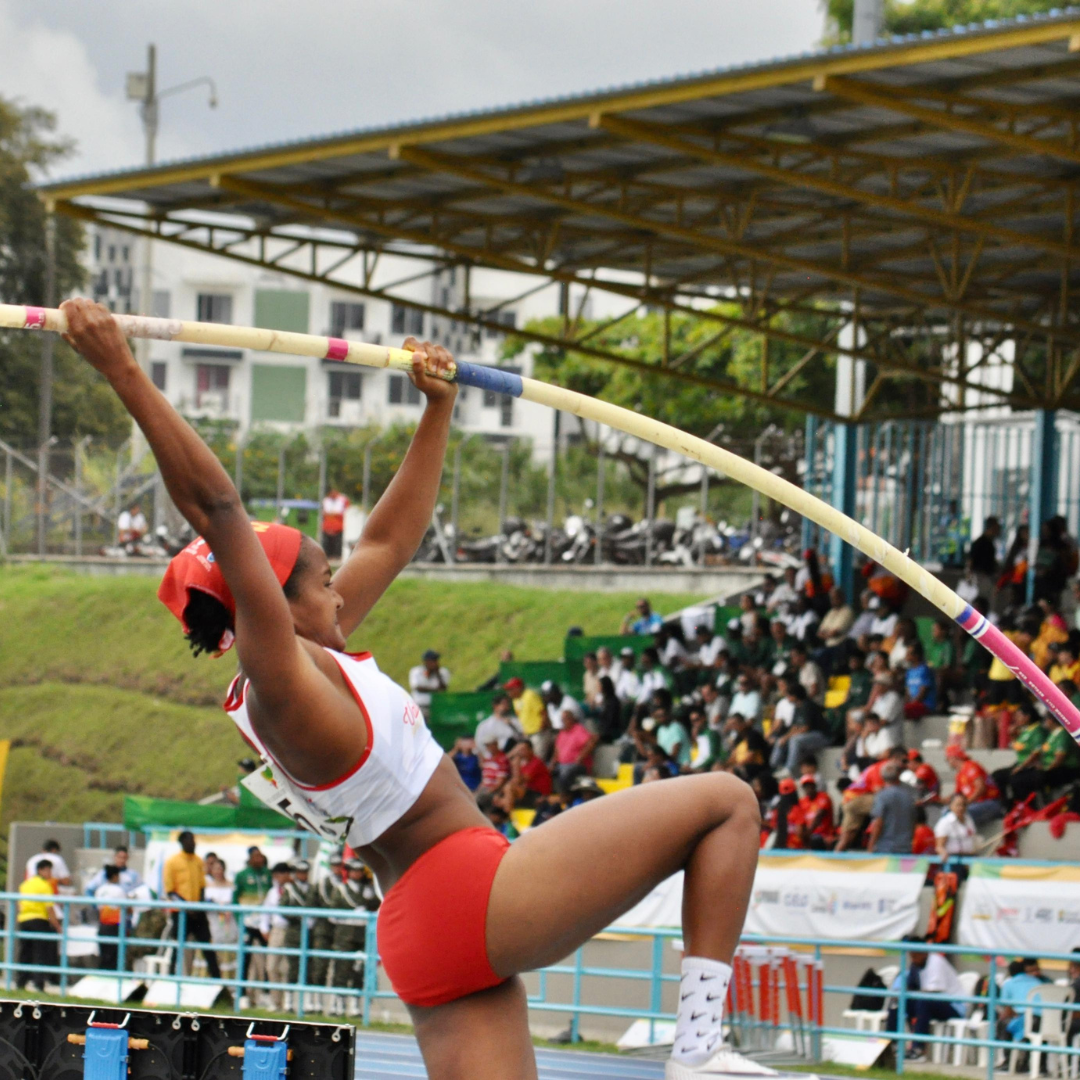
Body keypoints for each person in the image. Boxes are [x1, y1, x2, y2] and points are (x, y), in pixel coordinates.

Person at [64, 298, 763, 1078]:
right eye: (324, 583)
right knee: (728, 803)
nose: (340, 596)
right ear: (270, 600)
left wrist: (438, 410)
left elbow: (390, 540)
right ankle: (699, 1053)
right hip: (466, 893)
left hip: (423, 933)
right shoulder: (282, 682)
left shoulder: (305, 660)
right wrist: (121, 368)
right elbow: (218, 506)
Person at [888, 939, 966, 1062]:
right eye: (911, 956)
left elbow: (933, 993)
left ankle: (918, 1049)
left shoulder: (936, 962)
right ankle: (892, 1044)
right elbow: (909, 988)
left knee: (924, 1001)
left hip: (953, 1007)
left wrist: (910, 994)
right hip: (928, 1003)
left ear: (924, 953)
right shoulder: (915, 966)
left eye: (916, 955)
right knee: (897, 1002)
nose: (913, 959)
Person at [162, 831, 221, 979]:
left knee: (207, 946)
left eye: (194, 841)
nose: (193, 844)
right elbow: (170, 891)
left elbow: (202, 886)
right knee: (177, 947)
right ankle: (169, 978)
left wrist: (198, 906)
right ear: (183, 843)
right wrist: (187, 908)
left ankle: (218, 981)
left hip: (197, 912)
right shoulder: (172, 862)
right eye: (190, 841)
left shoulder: (198, 861)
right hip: (181, 911)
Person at [331, 858, 381, 1001]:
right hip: (345, 933)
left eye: (359, 871)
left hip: (363, 933)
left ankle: (355, 1001)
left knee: (360, 969)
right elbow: (333, 913)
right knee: (342, 967)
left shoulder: (368, 889)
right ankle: (338, 1002)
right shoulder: (342, 889)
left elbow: (376, 904)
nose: (357, 874)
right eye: (353, 871)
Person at [233, 846, 273, 1003]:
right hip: (248, 922)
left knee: (267, 958)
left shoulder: (267, 874)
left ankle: (266, 992)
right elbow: (235, 899)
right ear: (250, 858)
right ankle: (242, 993)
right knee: (245, 958)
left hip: (263, 923)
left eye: (260, 856)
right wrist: (239, 921)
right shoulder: (242, 876)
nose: (259, 859)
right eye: (255, 856)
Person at [17, 858, 61, 989]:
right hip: (39, 921)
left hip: (24, 920)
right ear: (41, 870)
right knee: (40, 953)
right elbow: (50, 908)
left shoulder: (26, 884)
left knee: (25, 952)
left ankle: (21, 982)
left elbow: (20, 904)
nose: (50, 873)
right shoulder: (45, 886)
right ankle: (38, 983)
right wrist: (57, 925)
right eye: (48, 870)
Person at [944, 746, 1003, 825]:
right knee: (946, 811)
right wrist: (938, 799)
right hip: (977, 804)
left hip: (991, 802)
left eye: (948, 759)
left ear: (953, 757)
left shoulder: (971, 766)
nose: (948, 762)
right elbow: (957, 796)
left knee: (960, 813)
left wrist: (965, 804)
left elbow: (981, 788)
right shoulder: (959, 775)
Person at [280, 859, 314, 992]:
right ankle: (289, 999)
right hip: (294, 931)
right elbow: (283, 908)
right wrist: (298, 918)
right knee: (293, 965)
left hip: (309, 931)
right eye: (300, 872)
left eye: (305, 872)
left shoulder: (312, 888)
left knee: (309, 966)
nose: (303, 875)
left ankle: (308, 999)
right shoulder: (289, 889)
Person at [261, 863, 291, 1010]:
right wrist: (264, 928)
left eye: (280, 874)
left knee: (285, 968)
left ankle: (286, 1003)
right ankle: (276, 1001)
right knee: (271, 966)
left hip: (291, 929)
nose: (277, 878)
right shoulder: (273, 892)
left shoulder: (293, 890)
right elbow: (266, 910)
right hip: (277, 929)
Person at [867, 762, 915, 854]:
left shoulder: (882, 796)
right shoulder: (909, 797)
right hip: (905, 848)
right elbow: (913, 821)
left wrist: (871, 845)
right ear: (898, 776)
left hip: (885, 848)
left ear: (882, 777)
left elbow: (878, 823)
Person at [552, 709, 598, 794]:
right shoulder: (562, 732)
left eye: (565, 719)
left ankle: (567, 796)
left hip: (577, 765)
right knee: (547, 771)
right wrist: (552, 763)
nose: (563, 722)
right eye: (562, 719)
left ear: (572, 719)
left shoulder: (578, 729)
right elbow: (557, 750)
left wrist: (581, 756)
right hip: (562, 764)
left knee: (566, 773)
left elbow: (591, 742)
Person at [503, 676, 549, 757]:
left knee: (538, 758)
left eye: (510, 689)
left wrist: (541, 728)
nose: (508, 692)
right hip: (528, 735)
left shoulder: (530, 695)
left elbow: (543, 712)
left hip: (538, 733)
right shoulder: (515, 700)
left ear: (518, 688)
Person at [94, 865, 126, 971]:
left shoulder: (100, 890)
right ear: (115, 876)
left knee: (104, 954)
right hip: (115, 925)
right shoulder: (119, 890)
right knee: (114, 956)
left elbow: (98, 907)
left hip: (103, 925)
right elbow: (125, 907)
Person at [204, 856, 238, 951]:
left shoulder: (231, 886)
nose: (217, 872)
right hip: (213, 920)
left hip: (228, 921)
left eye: (219, 869)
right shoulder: (207, 887)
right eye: (215, 869)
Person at [934, 793, 978, 858]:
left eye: (964, 805)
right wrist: (944, 854)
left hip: (970, 857)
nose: (961, 808)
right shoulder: (945, 822)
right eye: (958, 805)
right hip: (954, 860)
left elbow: (972, 835)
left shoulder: (968, 819)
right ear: (950, 806)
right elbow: (939, 847)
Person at [969, 516, 1001, 604]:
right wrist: (969, 575)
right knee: (980, 601)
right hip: (981, 577)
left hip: (989, 577)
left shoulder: (991, 543)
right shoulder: (979, 543)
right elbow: (971, 560)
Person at [408, 649, 450, 717]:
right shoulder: (416, 671)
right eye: (431, 661)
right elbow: (418, 688)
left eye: (435, 660)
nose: (434, 663)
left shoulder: (442, 672)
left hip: (436, 707)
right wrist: (436, 690)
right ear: (426, 662)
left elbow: (443, 689)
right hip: (420, 705)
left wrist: (437, 674)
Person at [903, 641, 938, 719]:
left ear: (916, 655)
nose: (906, 656)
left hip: (925, 705)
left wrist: (911, 705)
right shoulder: (909, 672)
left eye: (909, 653)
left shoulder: (924, 670)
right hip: (912, 705)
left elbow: (923, 692)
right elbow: (907, 692)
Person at [321, 487, 349, 560]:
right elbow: (324, 513)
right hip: (327, 525)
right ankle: (327, 555)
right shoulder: (326, 501)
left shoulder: (342, 500)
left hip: (338, 526)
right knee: (327, 542)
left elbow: (344, 512)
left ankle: (337, 556)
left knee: (337, 542)